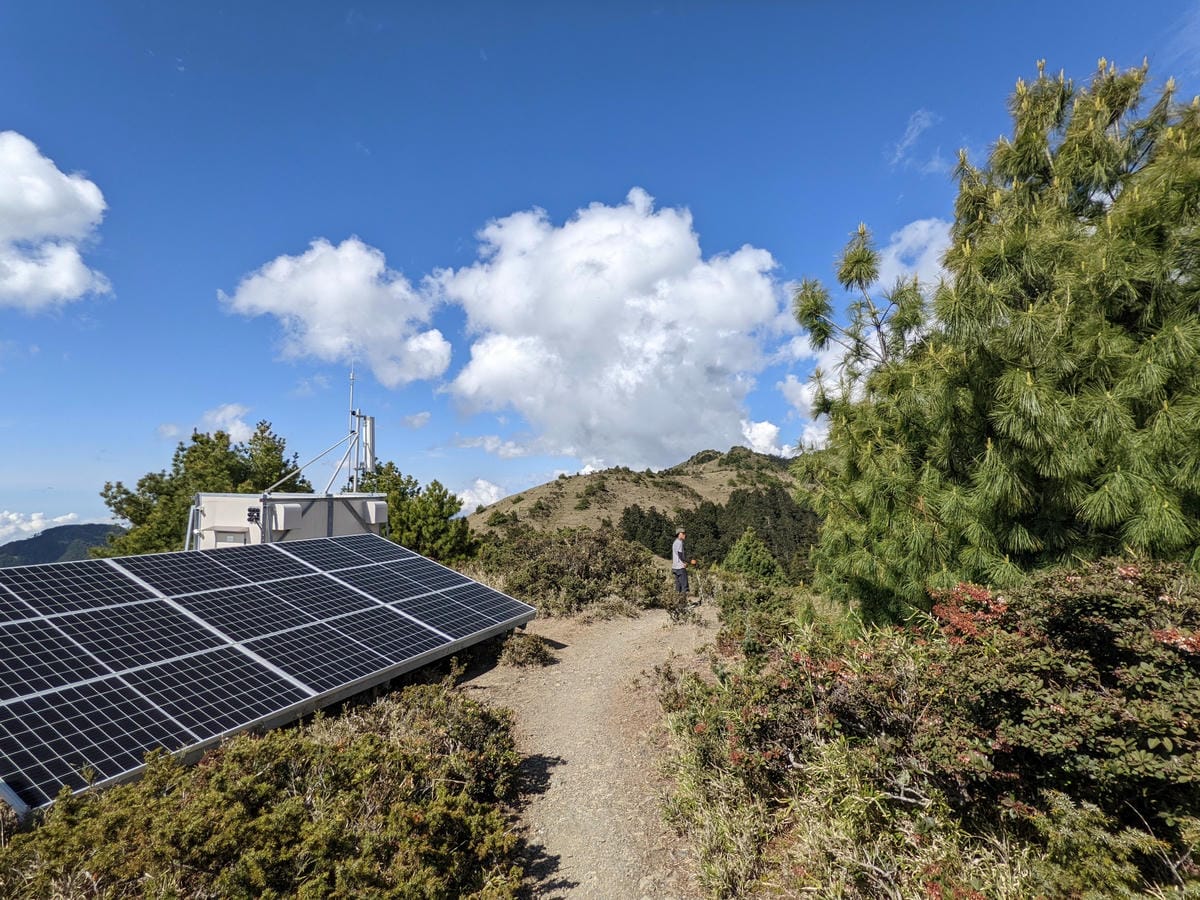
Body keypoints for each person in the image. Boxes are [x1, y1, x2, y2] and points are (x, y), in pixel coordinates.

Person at [671, 528, 688, 597]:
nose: (685, 535)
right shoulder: (679, 542)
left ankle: (678, 603)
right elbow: (680, 555)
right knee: (684, 586)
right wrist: (688, 562)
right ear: (679, 534)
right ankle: (684, 603)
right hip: (680, 567)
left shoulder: (675, 542)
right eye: (683, 533)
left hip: (675, 567)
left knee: (678, 587)